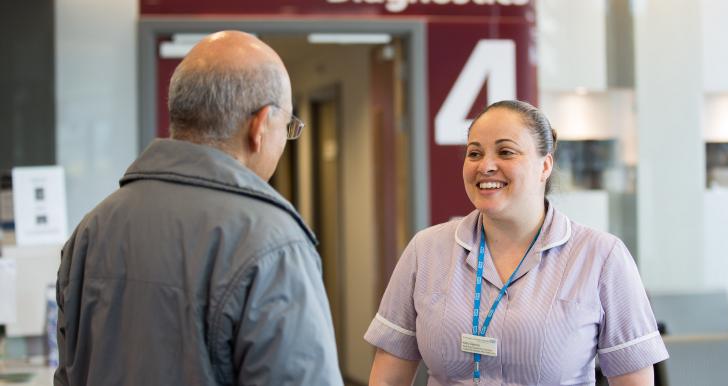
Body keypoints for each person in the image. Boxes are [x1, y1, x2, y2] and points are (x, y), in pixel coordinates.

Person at [55, 31, 343, 386]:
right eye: (287, 127)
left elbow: (68, 375)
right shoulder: (273, 243)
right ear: (259, 126)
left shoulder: (93, 229)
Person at [365, 100, 668, 385]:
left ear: (545, 166)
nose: (485, 166)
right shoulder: (426, 250)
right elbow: (388, 378)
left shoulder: (602, 256)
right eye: (474, 153)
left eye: (506, 152)